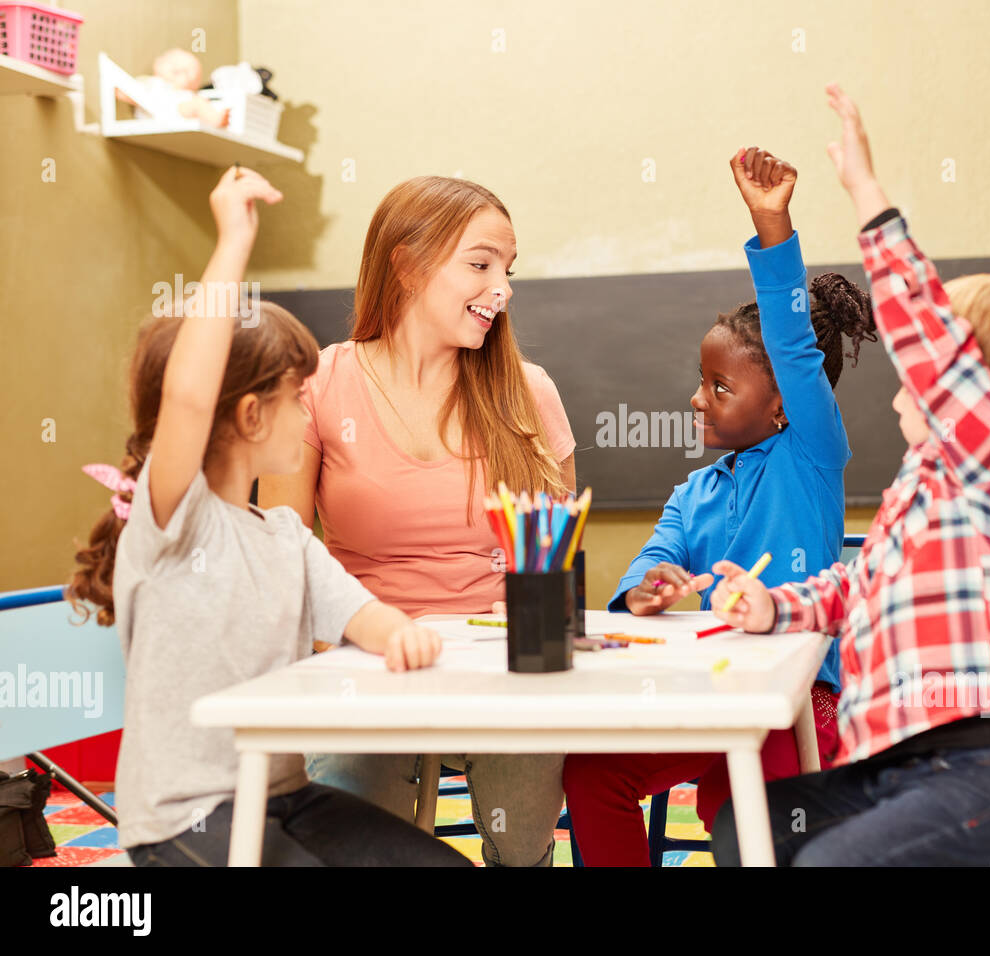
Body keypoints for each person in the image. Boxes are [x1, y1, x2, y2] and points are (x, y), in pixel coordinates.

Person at [708, 84, 990, 866]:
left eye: (929, 370)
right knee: (746, 830)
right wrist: (770, 604)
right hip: (902, 771)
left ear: (969, 386)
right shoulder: (924, 488)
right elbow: (855, 586)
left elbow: (928, 338)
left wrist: (864, 191)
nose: (903, 380)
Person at [69, 167, 469, 867]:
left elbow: (361, 614)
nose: (310, 408)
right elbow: (191, 398)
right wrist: (232, 242)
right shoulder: (173, 523)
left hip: (284, 794)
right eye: (296, 396)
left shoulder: (285, 536)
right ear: (251, 415)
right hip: (183, 816)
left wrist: (402, 634)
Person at [564, 147, 875, 866]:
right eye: (699, 381)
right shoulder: (693, 492)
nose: (697, 399)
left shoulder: (810, 459)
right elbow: (654, 564)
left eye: (719, 387)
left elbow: (794, 349)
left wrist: (772, 225)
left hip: (790, 707)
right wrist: (646, 591)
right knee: (590, 772)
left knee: (756, 826)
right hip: (699, 699)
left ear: (781, 410)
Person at [257, 176, 576, 866]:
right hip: (365, 664)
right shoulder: (319, 384)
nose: (504, 288)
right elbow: (284, 557)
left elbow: (554, 564)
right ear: (405, 264)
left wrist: (542, 631)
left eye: (508, 270)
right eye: (481, 263)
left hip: (505, 671)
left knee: (522, 839)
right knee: (344, 827)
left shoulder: (530, 392)